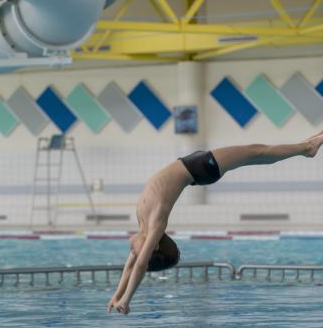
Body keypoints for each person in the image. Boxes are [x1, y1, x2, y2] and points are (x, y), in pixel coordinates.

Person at [107, 133, 323, 315]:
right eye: (135, 252)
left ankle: (307, 145)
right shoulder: (156, 223)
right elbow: (140, 265)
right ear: (153, 247)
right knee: (257, 152)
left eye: (133, 253)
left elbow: (133, 265)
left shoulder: (144, 226)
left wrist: (117, 295)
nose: (132, 253)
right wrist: (127, 299)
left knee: (258, 152)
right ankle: (308, 147)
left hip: (193, 165)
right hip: (200, 168)